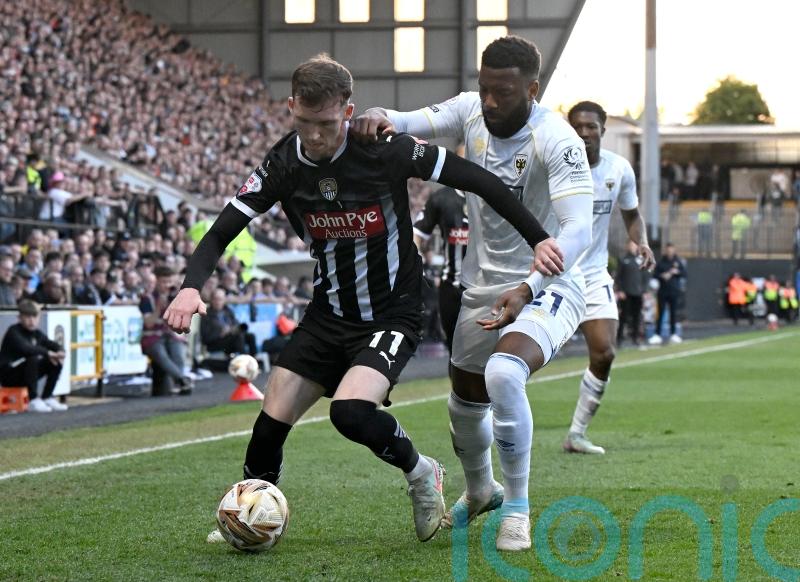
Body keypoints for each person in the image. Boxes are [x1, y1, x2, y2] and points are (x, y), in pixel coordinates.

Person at [162, 54, 562, 544]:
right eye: (304, 123)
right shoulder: (283, 162)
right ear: (291, 107)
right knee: (269, 425)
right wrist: (189, 286)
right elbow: (225, 227)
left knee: (349, 413)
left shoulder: (384, 149)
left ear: (347, 112)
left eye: (326, 124)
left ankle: (421, 472)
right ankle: (249, 514)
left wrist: (539, 237)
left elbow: (477, 180)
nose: (314, 135)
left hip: (392, 313)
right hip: (328, 313)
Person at [352, 35, 593, 550]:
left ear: (532, 89)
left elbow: (577, 231)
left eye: (502, 92)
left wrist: (530, 285)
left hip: (548, 282)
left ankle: (519, 511)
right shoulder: (470, 112)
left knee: (505, 374)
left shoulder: (559, 140)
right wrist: (378, 113)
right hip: (480, 286)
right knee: (464, 404)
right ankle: (482, 490)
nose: (489, 101)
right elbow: (409, 119)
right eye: (484, 88)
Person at [561, 101, 655, 455]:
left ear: (603, 129)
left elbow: (632, 215)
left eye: (591, 127)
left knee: (604, 352)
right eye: (578, 127)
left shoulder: (619, 169)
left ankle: (576, 434)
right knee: (521, 359)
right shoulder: (553, 167)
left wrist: (641, 242)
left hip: (593, 272)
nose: (585, 133)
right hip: (552, 273)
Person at [412, 185, 468, 354]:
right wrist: (415, 264)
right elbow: (417, 233)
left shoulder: (492, 194)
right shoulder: (441, 198)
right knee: (455, 352)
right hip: (451, 287)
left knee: (486, 350)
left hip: (486, 286)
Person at [0, 299, 67, 412]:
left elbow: (51, 344)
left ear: (39, 318)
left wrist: (60, 351)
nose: (31, 321)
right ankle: (33, 399)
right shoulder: (13, 331)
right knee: (33, 358)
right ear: (20, 317)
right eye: (27, 317)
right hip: (8, 375)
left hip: (25, 374)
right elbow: (26, 349)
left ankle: (47, 397)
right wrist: (48, 353)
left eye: (34, 317)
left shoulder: (37, 334)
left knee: (55, 361)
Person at [140, 266, 192, 396]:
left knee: (178, 353)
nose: (167, 285)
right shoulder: (147, 298)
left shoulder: (176, 296)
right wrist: (158, 308)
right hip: (152, 337)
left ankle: (179, 384)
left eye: (170, 282)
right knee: (160, 354)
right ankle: (182, 380)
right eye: (164, 282)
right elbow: (149, 323)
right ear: (156, 281)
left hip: (171, 334)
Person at [200, 288, 257, 356]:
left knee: (250, 336)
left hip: (231, 338)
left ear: (224, 300)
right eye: (215, 299)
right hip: (215, 343)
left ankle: (254, 360)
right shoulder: (206, 314)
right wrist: (221, 332)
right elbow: (205, 338)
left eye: (220, 299)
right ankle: (244, 360)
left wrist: (233, 328)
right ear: (211, 300)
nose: (218, 302)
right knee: (238, 336)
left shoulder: (227, 310)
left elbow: (236, 323)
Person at [649, 243, 687, 344]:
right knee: (660, 314)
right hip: (662, 292)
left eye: (671, 249)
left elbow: (684, 273)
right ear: (665, 250)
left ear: (674, 250)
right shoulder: (661, 262)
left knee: (673, 313)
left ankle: (673, 334)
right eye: (668, 249)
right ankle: (657, 334)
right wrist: (663, 276)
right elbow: (655, 275)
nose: (670, 251)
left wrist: (676, 272)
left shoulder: (678, 261)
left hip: (674, 291)